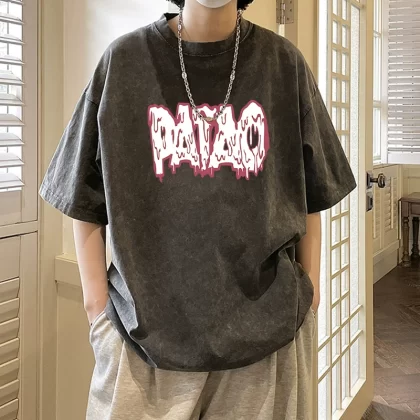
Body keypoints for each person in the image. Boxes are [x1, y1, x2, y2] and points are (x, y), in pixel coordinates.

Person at [40, 0, 356, 418]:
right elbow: (80, 194)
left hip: (267, 347)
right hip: (141, 349)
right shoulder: (124, 62)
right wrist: (97, 312)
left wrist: (309, 301)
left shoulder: (284, 64)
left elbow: (312, 194)